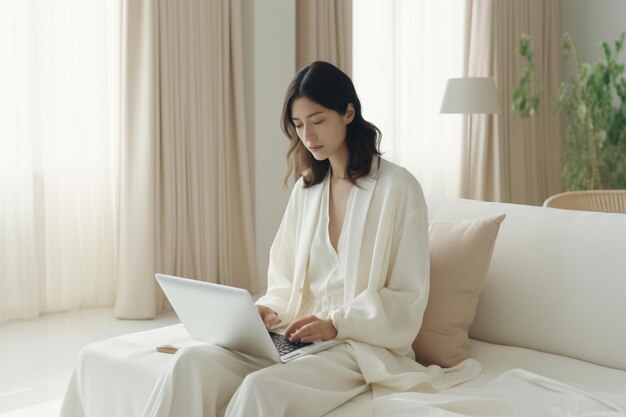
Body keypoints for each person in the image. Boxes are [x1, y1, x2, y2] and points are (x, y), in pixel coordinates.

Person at [141, 61, 479, 417]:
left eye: (317, 121)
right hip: (294, 336)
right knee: (191, 362)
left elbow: (407, 298)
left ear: (348, 113)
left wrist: (336, 323)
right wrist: (269, 311)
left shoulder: (399, 189)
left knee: (262, 390)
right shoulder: (307, 188)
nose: (308, 135)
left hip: (356, 345)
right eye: (299, 125)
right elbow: (285, 278)